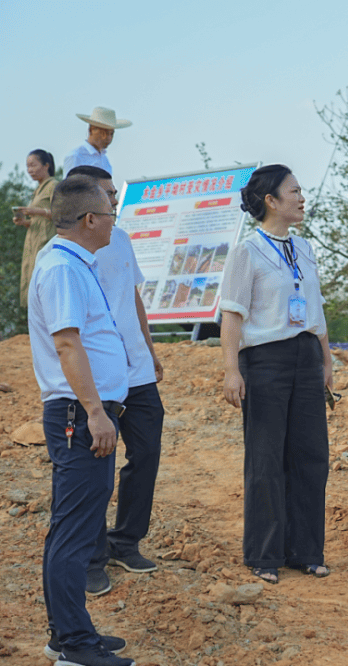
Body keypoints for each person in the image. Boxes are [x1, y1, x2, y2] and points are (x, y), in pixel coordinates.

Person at [28, 175, 134, 666]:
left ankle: (67, 633)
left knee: (72, 527)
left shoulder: (71, 263)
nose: (115, 220)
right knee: (72, 533)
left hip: (80, 410)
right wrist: (95, 411)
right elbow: (68, 343)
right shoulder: (64, 268)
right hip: (78, 413)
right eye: (110, 212)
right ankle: (74, 646)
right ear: (90, 220)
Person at [52, 166, 164, 597]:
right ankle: (93, 557)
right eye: (107, 194)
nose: (115, 201)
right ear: (86, 204)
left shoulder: (119, 239)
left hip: (134, 370)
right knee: (95, 467)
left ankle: (125, 540)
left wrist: (150, 352)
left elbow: (133, 296)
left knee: (147, 452)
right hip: (96, 378)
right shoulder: (65, 254)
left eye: (115, 194)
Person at [219, 164, 333, 584]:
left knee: (310, 456)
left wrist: (325, 360)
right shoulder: (246, 252)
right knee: (266, 458)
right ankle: (264, 554)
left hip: (305, 356)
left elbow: (316, 310)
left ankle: (306, 550)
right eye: (294, 191)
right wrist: (232, 370)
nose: (302, 198)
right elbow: (232, 315)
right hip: (264, 361)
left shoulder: (303, 248)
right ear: (271, 200)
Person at [13, 149, 58, 307]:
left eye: (33, 165)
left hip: (46, 241)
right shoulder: (38, 189)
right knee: (31, 279)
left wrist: (37, 211)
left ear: (46, 165)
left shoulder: (53, 185)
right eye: (27, 166)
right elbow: (39, 221)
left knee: (44, 283)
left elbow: (62, 213)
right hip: (34, 241)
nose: (30, 170)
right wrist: (25, 221)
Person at [63, 107, 131, 178]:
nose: (108, 138)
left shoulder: (105, 160)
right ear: (91, 130)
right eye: (103, 133)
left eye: (111, 134)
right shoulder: (75, 156)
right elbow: (68, 187)